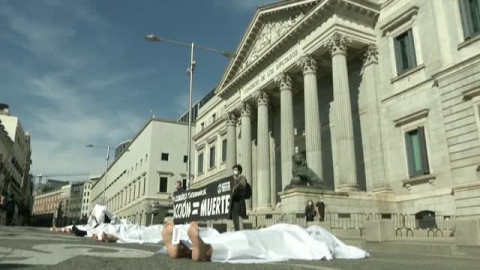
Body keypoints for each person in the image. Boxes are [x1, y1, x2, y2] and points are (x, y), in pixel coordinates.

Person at [229, 164, 248, 231]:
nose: (234, 171)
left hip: (239, 202)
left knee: (239, 222)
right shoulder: (232, 179)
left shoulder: (242, 178)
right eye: (234, 170)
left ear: (239, 171)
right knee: (233, 223)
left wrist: (236, 181)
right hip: (233, 203)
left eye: (236, 170)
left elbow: (242, 186)